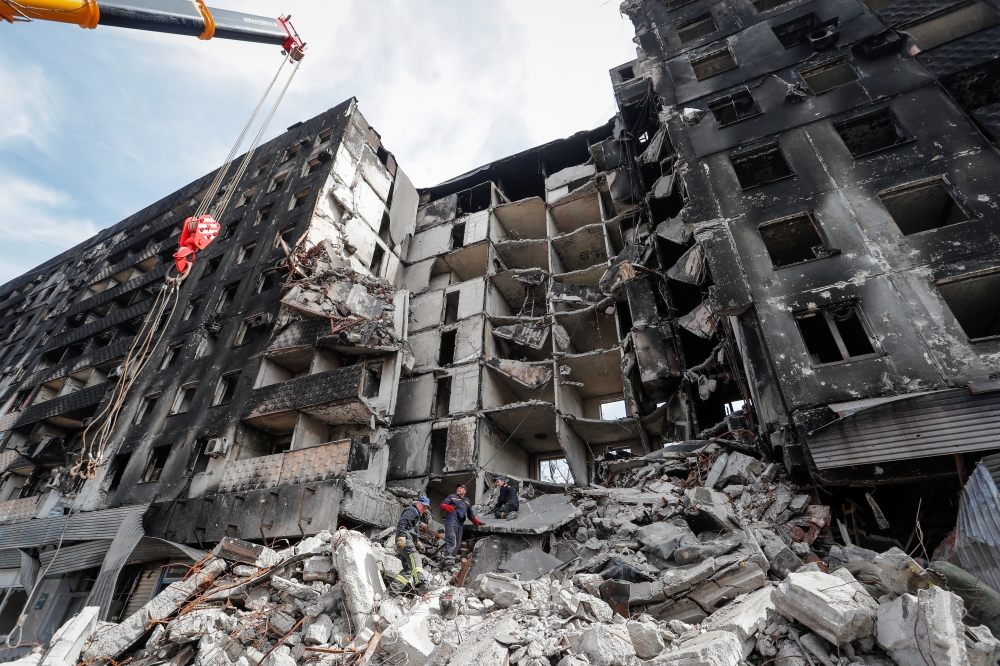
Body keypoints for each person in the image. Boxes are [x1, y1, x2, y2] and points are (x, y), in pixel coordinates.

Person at [391, 496, 430, 593]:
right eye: (423, 506)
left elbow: (411, 530)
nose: (425, 509)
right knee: (415, 557)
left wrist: (417, 542)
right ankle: (421, 584)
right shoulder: (412, 510)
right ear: (418, 503)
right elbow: (402, 522)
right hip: (404, 538)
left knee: (408, 568)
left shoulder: (416, 515)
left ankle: (393, 590)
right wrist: (401, 535)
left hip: (406, 539)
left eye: (426, 508)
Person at [440, 484, 485, 566]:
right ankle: (449, 561)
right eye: (458, 488)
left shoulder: (467, 501)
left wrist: (476, 521)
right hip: (451, 520)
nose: (458, 489)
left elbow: (470, 514)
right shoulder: (452, 496)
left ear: (465, 491)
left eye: (461, 488)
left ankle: (449, 559)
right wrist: (447, 507)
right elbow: (442, 505)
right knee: (451, 539)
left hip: (460, 523)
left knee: (457, 542)